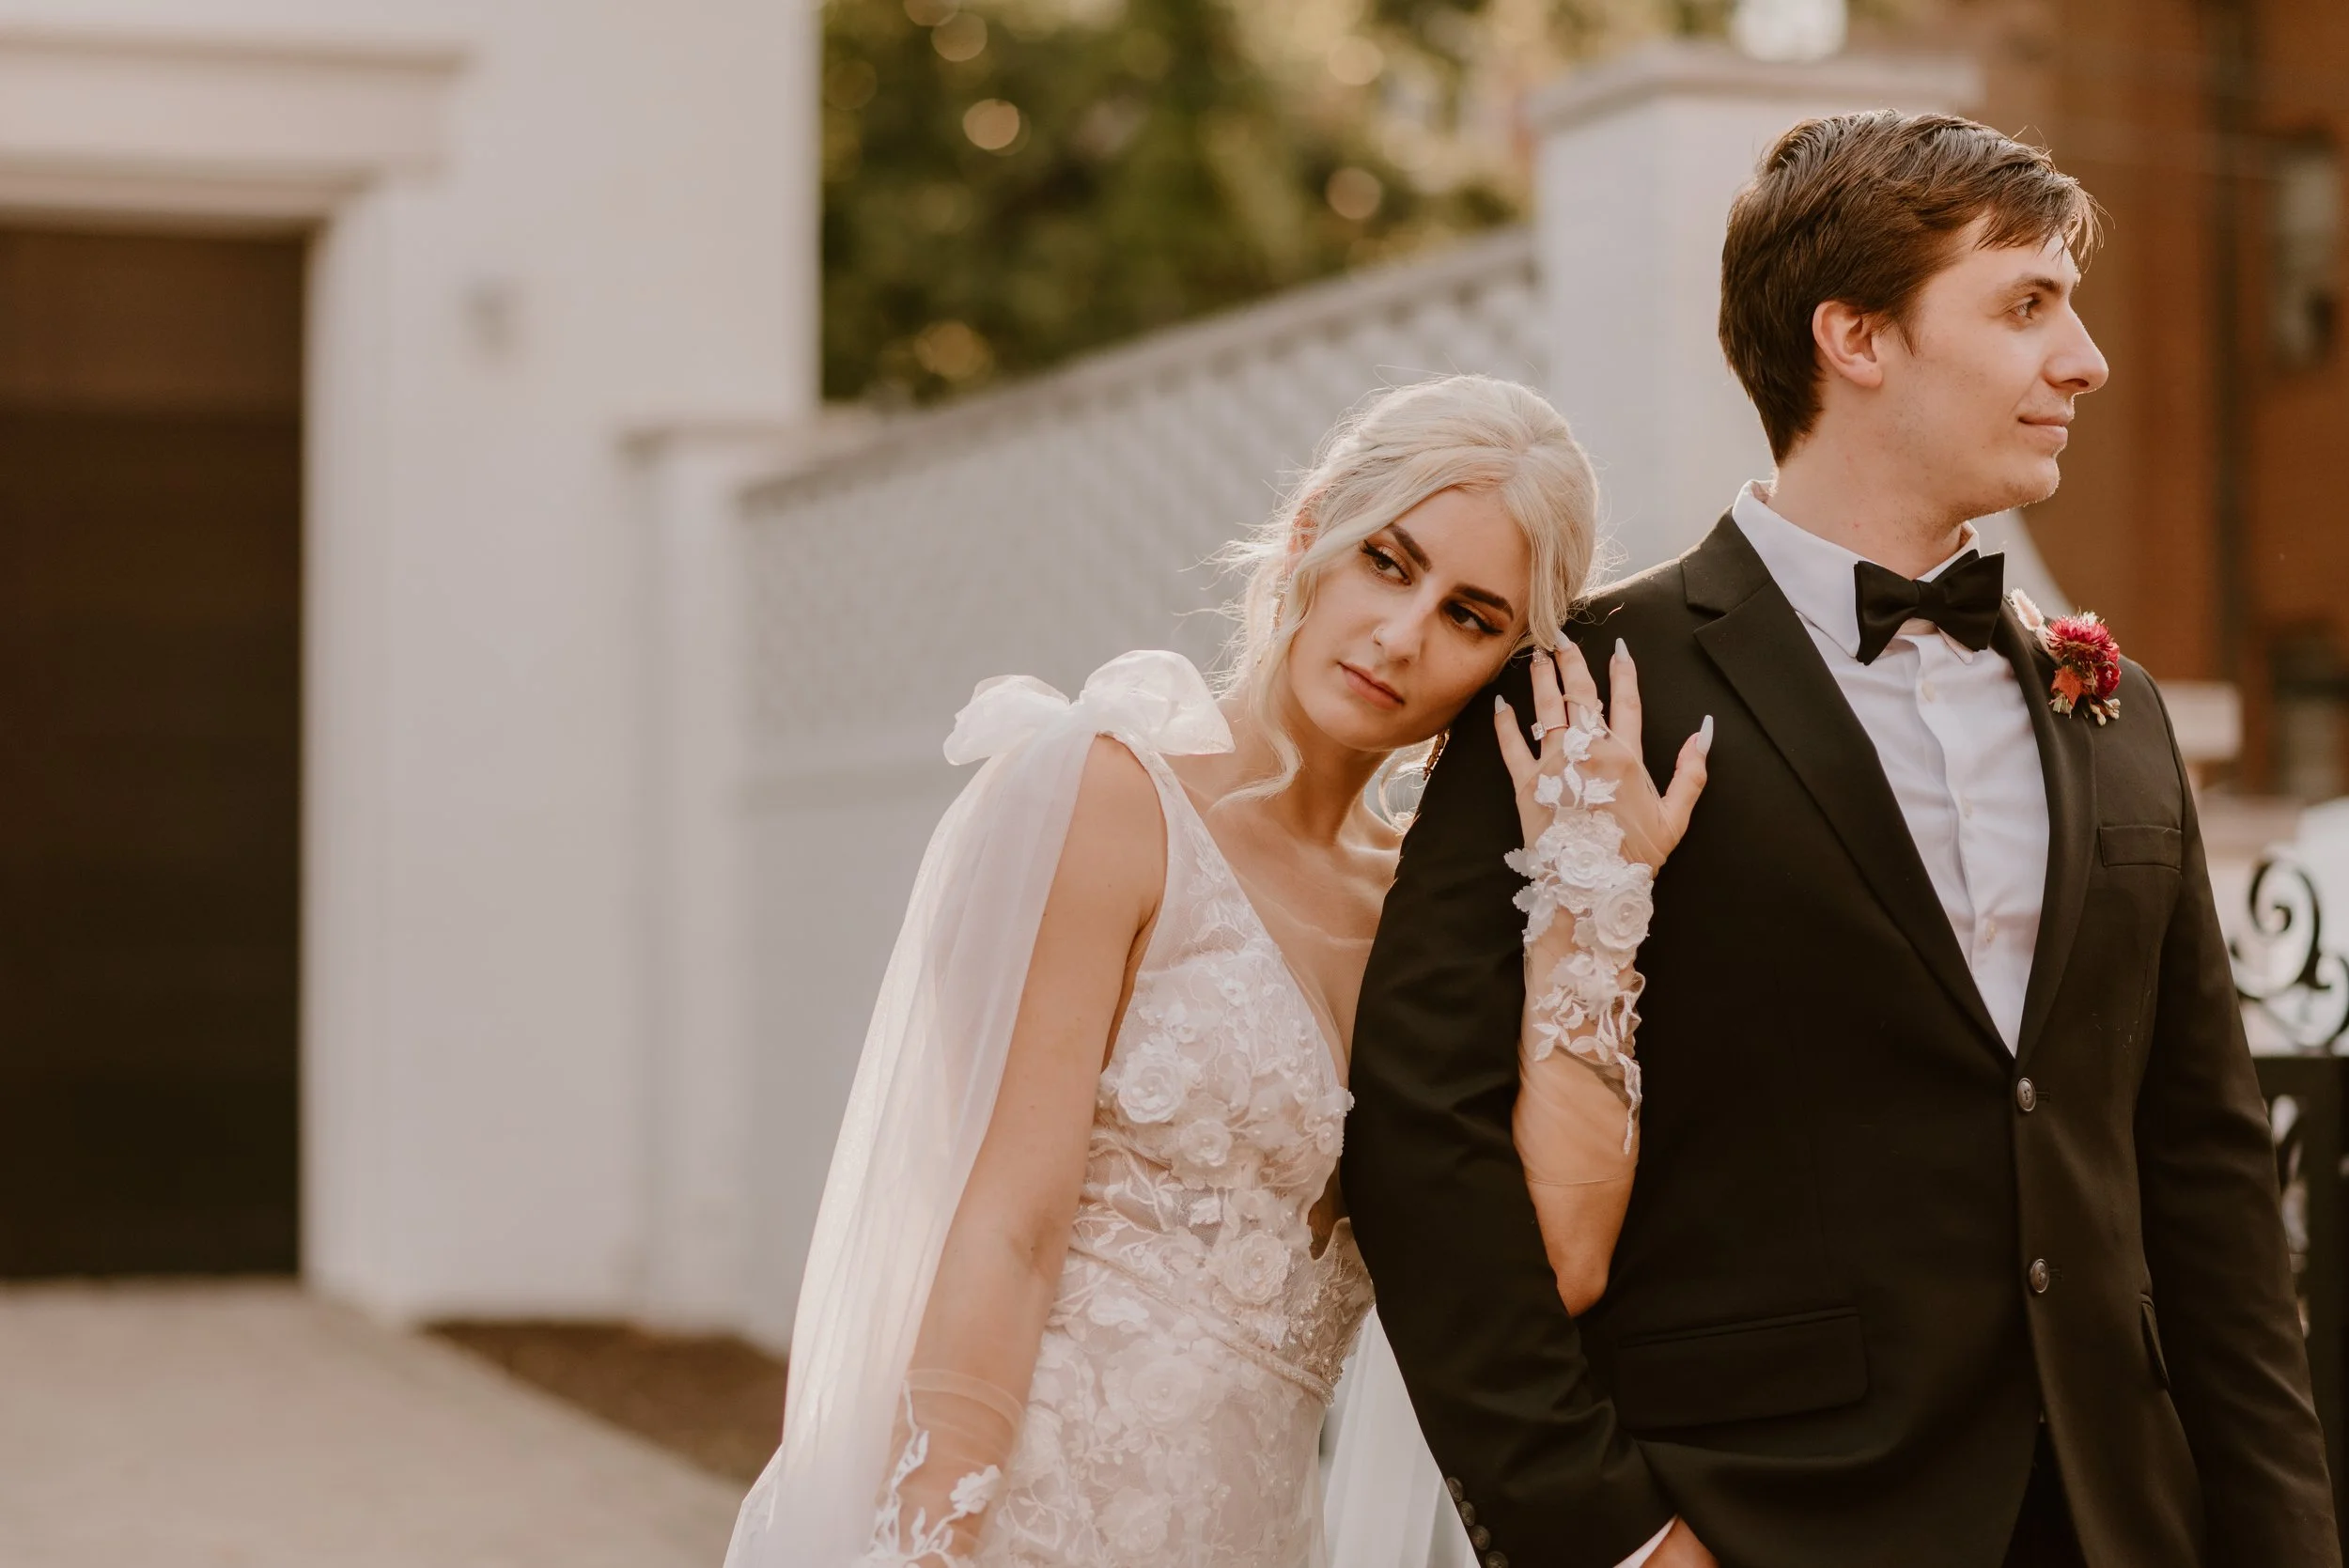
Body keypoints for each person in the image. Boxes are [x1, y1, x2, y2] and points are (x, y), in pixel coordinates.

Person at [1346, 110, 2341, 1568]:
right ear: (1856, 338)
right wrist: (1602, 1533)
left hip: (2121, 1523)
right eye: (2026, 306)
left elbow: (2205, 1172)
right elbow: (1426, 1151)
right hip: (1760, 1520)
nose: (2085, 360)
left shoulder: (2109, 705)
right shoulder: (1586, 687)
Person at [721, 373, 1710, 1567]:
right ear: (1310, 539)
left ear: (1508, 661)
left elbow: (1560, 1258)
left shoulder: (1435, 923)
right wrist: (930, 1542)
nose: (1401, 635)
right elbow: (1002, 1228)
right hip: (1019, 1516)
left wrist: (1592, 909)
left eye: (1469, 615)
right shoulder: (1111, 798)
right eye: (1388, 564)